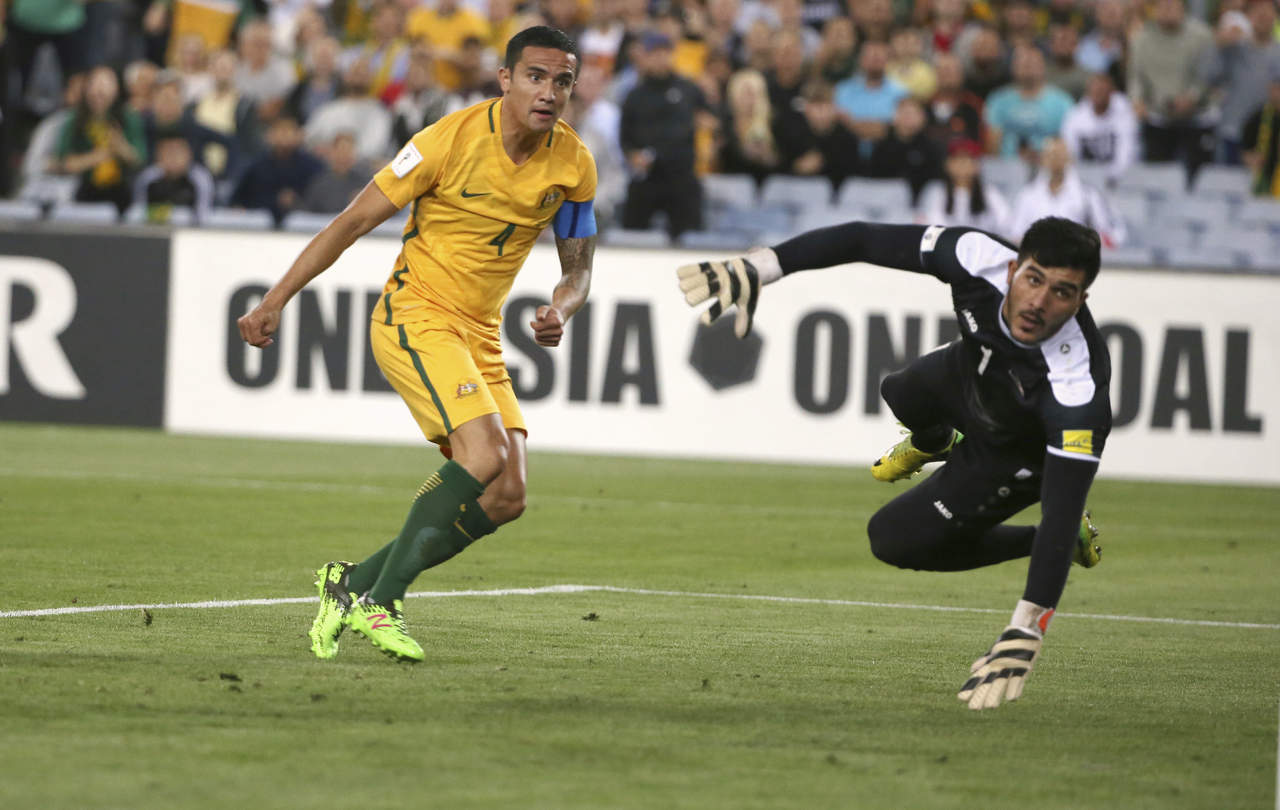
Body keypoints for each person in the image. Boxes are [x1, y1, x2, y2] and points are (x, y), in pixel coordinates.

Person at [237, 26, 598, 664]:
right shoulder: (446, 140)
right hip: (416, 314)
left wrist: (560, 309)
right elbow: (351, 221)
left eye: (562, 81)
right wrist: (274, 300)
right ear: (506, 79)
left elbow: (578, 271)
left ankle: (350, 582)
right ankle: (382, 601)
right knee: (484, 453)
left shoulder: (573, 164)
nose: (549, 92)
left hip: (479, 333)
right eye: (536, 76)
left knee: (507, 495)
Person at [675, 215, 1109, 711]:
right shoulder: (977, 256)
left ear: (1080, 301)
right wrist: (766, 265)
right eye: (1033, 279)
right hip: (968, 375)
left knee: (892, 539)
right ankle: (936, 441)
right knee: (899, 391)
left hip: (1012, 450)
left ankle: (1043, 542)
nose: (1038, 301)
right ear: (1012, 269)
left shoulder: (1077, 391)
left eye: (1061, 292)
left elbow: (1060, 507)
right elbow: (863, 238)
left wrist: (1028, 626)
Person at [619, 31, 708, 238]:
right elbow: (625, 135)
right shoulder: (635, 95)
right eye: (654, 53)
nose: (660, 58)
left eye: (664, 52)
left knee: (691, 235)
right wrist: (632, 155)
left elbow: (708, 117)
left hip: (681, 174)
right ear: (646, 57)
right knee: (632, 233)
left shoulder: (689, 89)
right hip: (647, 175)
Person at [1008, 137, 1126, 246]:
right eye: (1049, 154)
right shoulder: (1027, 195)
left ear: (1070, 158)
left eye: (1059, 154)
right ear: (1043, 159)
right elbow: (1016, 235)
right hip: (1037, 256)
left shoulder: (1086, 195)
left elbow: (1108, 234)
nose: (1054, 159)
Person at [918, 137, 1012, 237]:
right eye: (957, 159)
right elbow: (931, 228)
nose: (962, 164)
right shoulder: (936, 191)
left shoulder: (989, 193)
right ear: (947, 164)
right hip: (946, 244)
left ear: (977, 165)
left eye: (968, 159)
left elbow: (1006, 224)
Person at [1060, 72, 1139, 187]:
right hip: (1085, 178)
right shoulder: (1075, 116)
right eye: (1095, 91)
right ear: (1088, 93)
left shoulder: (1125, 112)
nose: (1099, 95)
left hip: (1121, 179)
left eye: (1103, 91)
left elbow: (1127, 153)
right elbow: (1070, 153)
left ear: (1111, 93)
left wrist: (1113, 177)